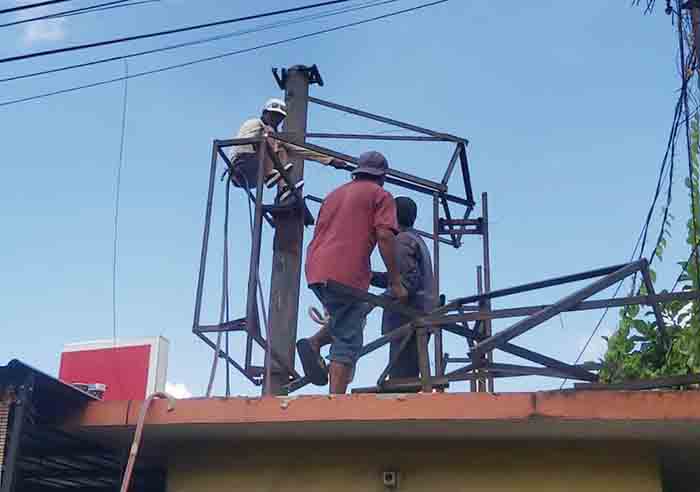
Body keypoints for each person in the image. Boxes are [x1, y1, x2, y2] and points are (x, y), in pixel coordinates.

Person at [297, 151, 408, 394]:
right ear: (382, 176)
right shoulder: (381, 195)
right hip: (346, 274)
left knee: (345, 319)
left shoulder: (333, 195)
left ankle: (314, 343)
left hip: (316, 269)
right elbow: (385, 236)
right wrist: (396, 281)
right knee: (349, 338)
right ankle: (336, 401)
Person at [370, 196, 438, 384]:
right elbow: (399, 279)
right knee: (409, 377)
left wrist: (375, 301)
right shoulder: (415, 239)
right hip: (420, 315)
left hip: (408, 318)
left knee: (402, 381)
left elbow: (406, 284)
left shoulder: (401, 240)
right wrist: (371, 277)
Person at [227, 98, 344, 201]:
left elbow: (299, 150)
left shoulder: (273, 136)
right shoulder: (254, 123)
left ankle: (282, 188)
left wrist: (329, 160)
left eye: (279, 117)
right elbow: (245, 143)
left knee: (283, 148)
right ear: (264, 113)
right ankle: (269, 175)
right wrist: (269, 141)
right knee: (271, 136)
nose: (276, 120)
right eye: (273, 115)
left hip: (255, 175)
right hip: (242, 165)